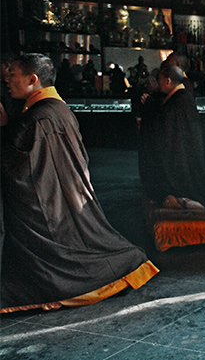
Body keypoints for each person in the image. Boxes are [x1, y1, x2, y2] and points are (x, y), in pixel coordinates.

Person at [1, 54, 158, 314]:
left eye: (13, 74)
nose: (7, 79)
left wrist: (4, 129)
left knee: (68, 252)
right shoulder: (54, 108)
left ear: (32, 79)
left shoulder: (39, 117)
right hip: (65, 194)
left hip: (49, 203)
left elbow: (17, 164)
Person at [138, 64, 205, 211]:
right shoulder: (180, 96)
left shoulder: (180, 99)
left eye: (160, 80)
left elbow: (162, 123)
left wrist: (149, 105)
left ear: (168, 81)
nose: (158, 83)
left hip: (180, 158)